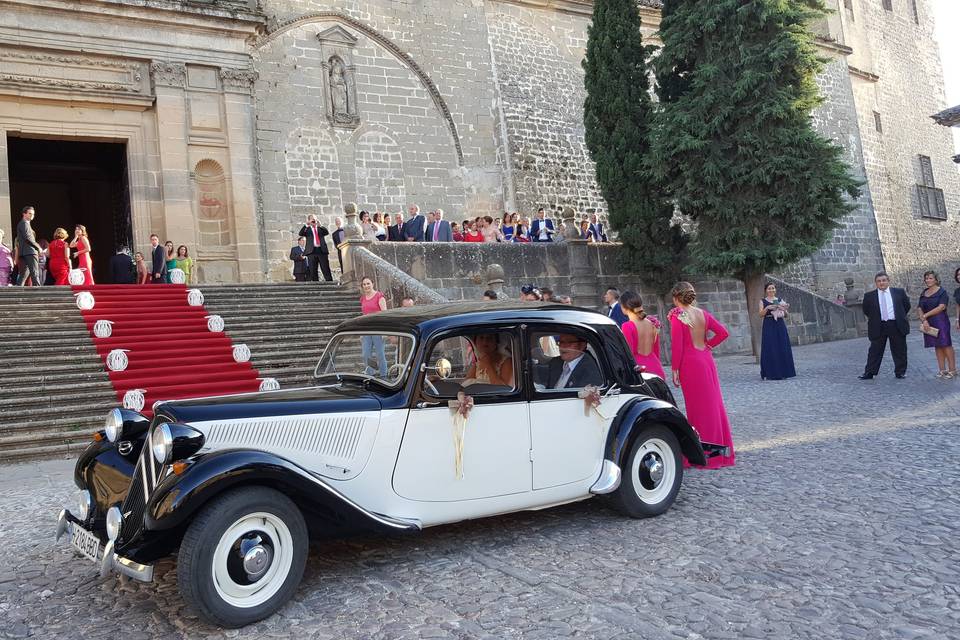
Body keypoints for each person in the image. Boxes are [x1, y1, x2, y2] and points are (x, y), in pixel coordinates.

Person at [668, 281, 735, 468]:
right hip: (706, 360)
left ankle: (702, 454)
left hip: (691, 364)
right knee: (713, 406)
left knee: (697, 409)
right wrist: (709, 346)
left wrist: (675, 369)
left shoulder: (678, 316)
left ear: (675, 298)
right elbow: (723, 333)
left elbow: (678, 346)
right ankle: (718, 452)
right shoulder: (703, 314)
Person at [860, 271, 911, 379]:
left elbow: (906, 306)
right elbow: (867, 311)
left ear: (888, 281)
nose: (881, 283)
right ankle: (869, 372)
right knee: (874, 350)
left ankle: (900, 372)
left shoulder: (899, 292)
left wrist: (899, 316)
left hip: (895, 324)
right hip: (879, 325)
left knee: (899, 350)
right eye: (879, 281)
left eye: (884, 280)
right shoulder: (869, 296)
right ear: (876, 283)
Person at [917, 270, 955, 378]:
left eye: (930, 278)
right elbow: (919, 307)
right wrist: (924, 320)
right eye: (926, 278)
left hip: (940, 321)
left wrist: (925, 316)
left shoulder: (942, 292)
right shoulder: (924, 292)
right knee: (937, 345)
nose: (928, 280)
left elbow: (941, 307)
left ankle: (952, 369)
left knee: (946, 344)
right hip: (928, 322)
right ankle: (942, 370)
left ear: (936, 279)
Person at [620, 291, 666, 378]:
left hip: (640, 371)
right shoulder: (652, 323)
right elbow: (656, 351)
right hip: (656, 368)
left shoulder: (627, 326)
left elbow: (629, 354)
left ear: (623, 307)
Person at [759, 282, 796, 380]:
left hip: (779, 325)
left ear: (775, 290)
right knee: (770, 347)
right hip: (769, 324)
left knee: (782, 346)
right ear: (766, 290)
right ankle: (770, 372)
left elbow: (787, 315)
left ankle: (784, 371)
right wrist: (767, 308)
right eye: (769, 288)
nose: (771, 290)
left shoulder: (779, 300)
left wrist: (782, 308)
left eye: (773, 288)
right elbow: (761, 314)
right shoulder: (763, 301)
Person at [359, 276, 388, 377]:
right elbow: (364, 316)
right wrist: (361, 333)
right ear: (362, 286)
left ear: (373, 284)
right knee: (366, 354)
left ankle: (384, 376)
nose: (366, 286)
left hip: (378, 329)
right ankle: (370, 375)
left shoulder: (379, 296)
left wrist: (385, 331)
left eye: (368, 283)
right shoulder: (363, 298)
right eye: (364, 284)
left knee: (380, 355)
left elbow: (385, 314)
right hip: (367, 330)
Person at [298, 214, 333, 281]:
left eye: (315, 219)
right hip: (311, 252)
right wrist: (306, 224)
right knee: (313, 270)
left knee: (325, 268)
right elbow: (300, 233)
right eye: (312, 219)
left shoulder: (320, 228)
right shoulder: (307, 229)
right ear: (309, 220)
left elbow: (326, 232)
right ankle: (316, 284)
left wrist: (321, 225)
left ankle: (330, 282)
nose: (314, 220)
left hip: (321, 251)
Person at [16, 205, 42, 287]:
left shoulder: (23, 223)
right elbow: (28, 238)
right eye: (30, 213)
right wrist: (38, 247)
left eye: (33, 214)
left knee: (23, 274)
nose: (32, 215)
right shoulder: (24, 223)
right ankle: (38, 292)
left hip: (24, 252)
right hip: (30, 252)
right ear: (24, 214)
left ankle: (17, 293)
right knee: (34, 272)